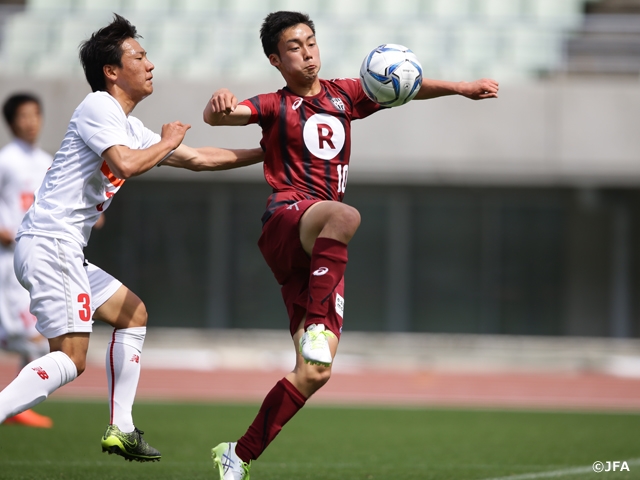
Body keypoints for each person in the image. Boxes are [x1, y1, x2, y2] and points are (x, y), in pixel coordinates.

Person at [195, 10, 499, 480]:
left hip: (317, 253)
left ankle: (238, 454)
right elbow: (224, 116)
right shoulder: (275, 105)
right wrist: (215, 108)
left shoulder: (345, 94)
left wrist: (460, 87)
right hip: (287, 220)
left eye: (311, 41)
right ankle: (318, 322)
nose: (307, 51)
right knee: (345, 213)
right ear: (276, 60)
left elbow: (406, 86)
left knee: (315, 373)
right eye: (294, 47)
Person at [0, 14, 262, 463]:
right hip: (51, 243)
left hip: (61, 248)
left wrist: (270, 150)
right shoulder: (98, 106)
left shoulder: (130, 127)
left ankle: (121, 428)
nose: (150, 64)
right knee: (71, 360)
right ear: (112, 71)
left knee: (132, 313)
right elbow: (125, 164)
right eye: (139, 56)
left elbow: (200, 159)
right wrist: (168, 140)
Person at [0, 93, 54, 428]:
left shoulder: (47, 161)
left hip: (39, 259)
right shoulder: (6, 160)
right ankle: (16, 405)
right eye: (23, 116)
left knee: (35, 332)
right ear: (11, 121)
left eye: (36, 114)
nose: (31, 122)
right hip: (9, 260)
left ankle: (18, 406)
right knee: (34, 335)